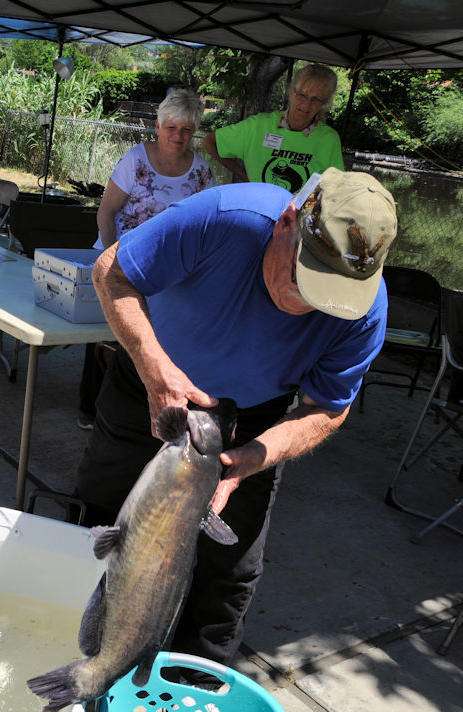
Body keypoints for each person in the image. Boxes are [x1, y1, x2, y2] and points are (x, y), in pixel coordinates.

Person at [75, 167, 396, 668]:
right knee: (100, 524)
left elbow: (328, 409)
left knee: (229, 569)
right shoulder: (227, 217)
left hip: (253, 419)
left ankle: (191, 683)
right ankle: (77, 659)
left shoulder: (366, 312)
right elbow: (111, 271)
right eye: (305, 278)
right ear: (288, 221)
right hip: (150, 381)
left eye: (331, 296)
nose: (307, 304)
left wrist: (256, 456)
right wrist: (154, 368)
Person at [79, 89, 214, 430]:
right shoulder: (136, 160)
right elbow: (106, 213)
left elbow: (205, 227)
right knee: (108, 336)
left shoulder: (201, 171)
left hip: (168, 272)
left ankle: (141, 408)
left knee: (151, 342)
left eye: (186, 129)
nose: (178, 136)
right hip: (121, 261)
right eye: (172, 128)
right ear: (158, 126)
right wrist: (112, 263)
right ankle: (91, 409)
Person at [203, 63, 344, 192]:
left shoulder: (328, 139)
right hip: (257, 208)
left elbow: (336, 188)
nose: (306, 105)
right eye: (302, 95)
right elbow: (209, 142)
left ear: (324, 103)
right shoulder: (258, 126)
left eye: (315, 99)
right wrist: (245, 177)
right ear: (291, 92)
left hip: (299, 212)